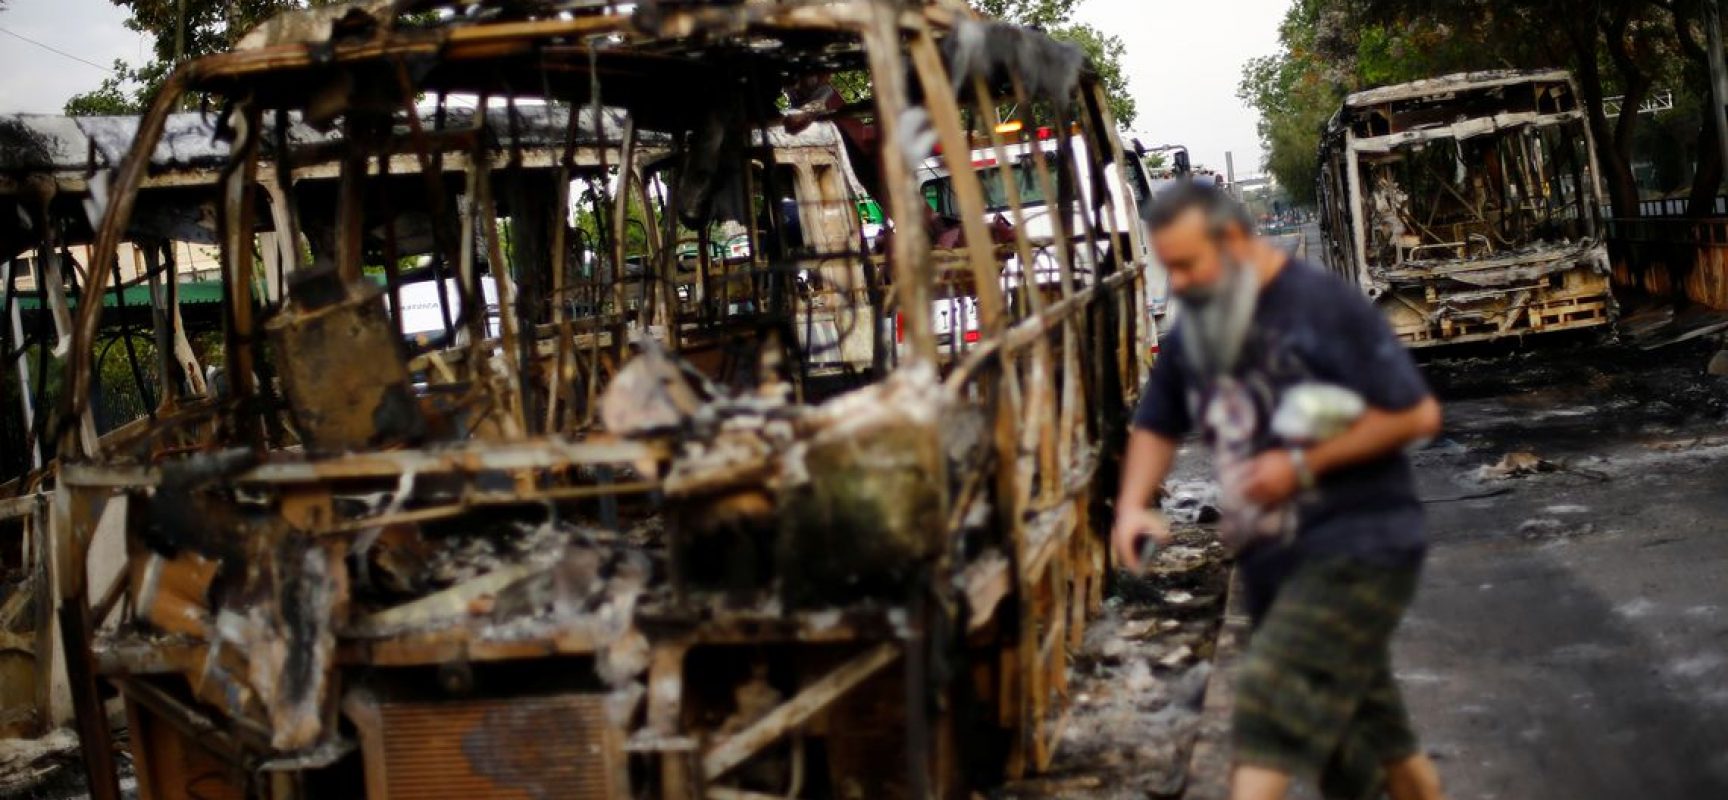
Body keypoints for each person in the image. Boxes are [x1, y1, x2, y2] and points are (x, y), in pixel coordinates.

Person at [1112, 183, 1447, 800]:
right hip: (1273, 565)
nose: (1177, 284)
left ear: (1234, 241)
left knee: (1267, 700)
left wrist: (1300, 466)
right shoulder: (1198, 329)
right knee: (1365, 746)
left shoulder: (1323, 307)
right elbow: (1157, 424)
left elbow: (1414, 416)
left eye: (1187, 264)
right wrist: (1133, 504)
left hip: (1360, 547)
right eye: (1170, 267)